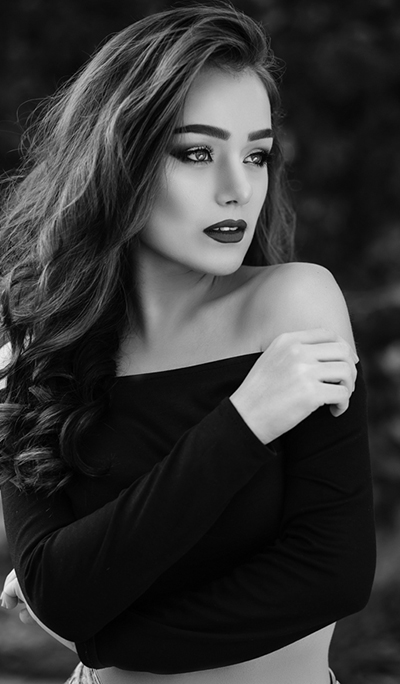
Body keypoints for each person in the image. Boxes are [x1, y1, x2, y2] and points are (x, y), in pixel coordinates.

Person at [0, 4, 375, 684]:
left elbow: (331, 573)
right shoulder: (38, 346)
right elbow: (55, 588)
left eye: (256, 155)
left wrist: (99, 636)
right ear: (120, 158)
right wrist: (245, 420)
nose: (239, 189)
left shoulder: (295, 303)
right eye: (197, 153)